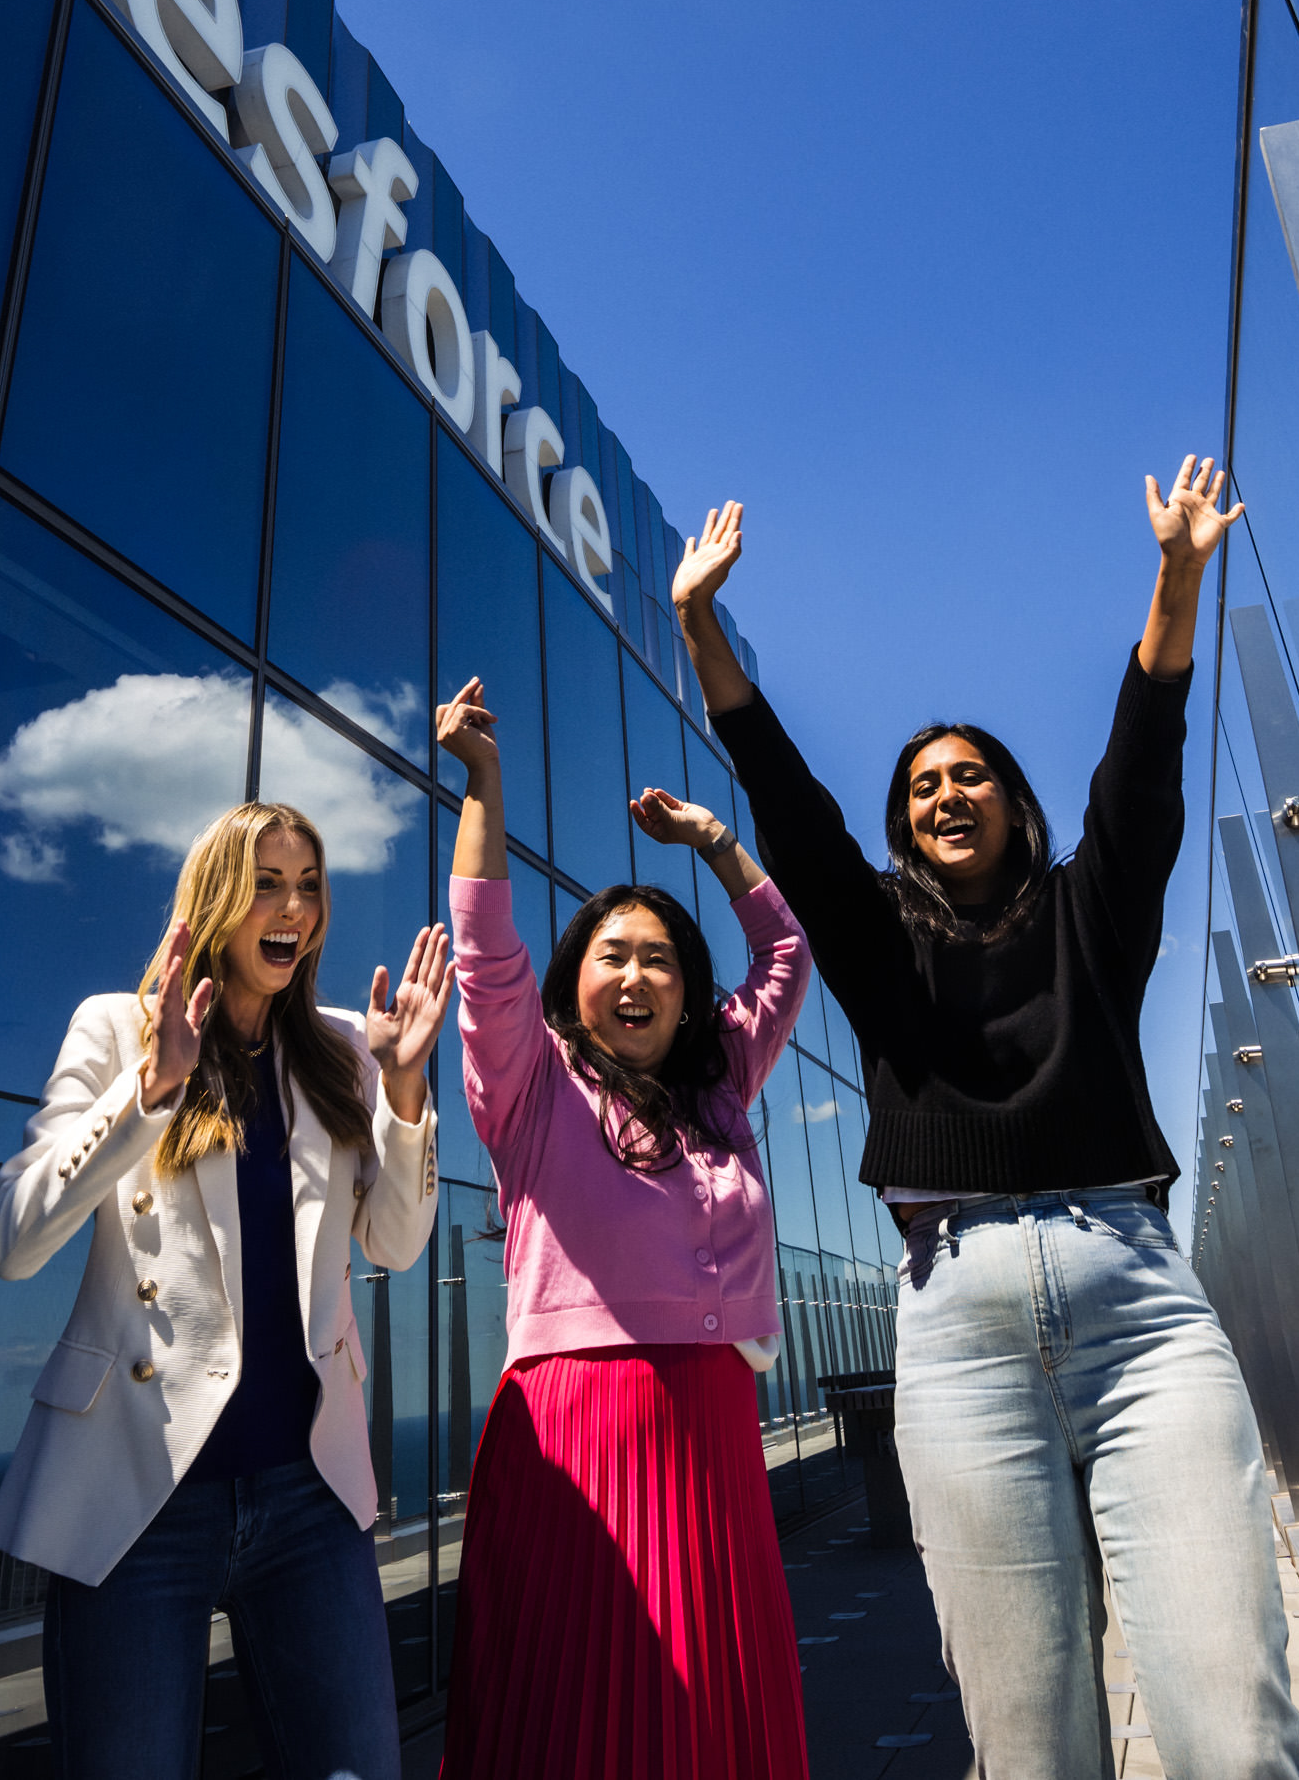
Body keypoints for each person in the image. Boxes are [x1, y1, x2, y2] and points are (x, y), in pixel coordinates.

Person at [669, 459, 1297, 1780]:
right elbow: (792, 805)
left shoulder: (1093, 912)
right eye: (919, 788)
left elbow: (1144, 766)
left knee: (1231, 1729)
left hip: (1140, 1310)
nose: (944, 794)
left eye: (970, 776)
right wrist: (700, 627)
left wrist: (1177, 578)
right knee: (1032, 1748)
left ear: (1015, 801)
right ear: (903, 828)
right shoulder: (877, 944)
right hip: (953, 1333)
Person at [0, 801, 452, 1780]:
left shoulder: (342, 1050)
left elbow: (397, 1243)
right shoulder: (117, 1027)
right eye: (267, 883)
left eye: (310, 885)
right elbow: (12, 1241)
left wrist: (405, 1096)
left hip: (309, 1497)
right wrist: (147, 1093)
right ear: (215, 900)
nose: (293, 908)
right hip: (138, 1498)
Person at [432, 674, 812, 1780]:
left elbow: (784, 958)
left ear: (688, 992)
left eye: (660, 959)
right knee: (578, 1718)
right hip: (575, 1431)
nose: (638, 975)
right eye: (614, 955)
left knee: (709, 1707)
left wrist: (715, 845)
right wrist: (486, 783)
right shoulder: (531, 1084)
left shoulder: (722, 1080)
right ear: (573, 985)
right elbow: (483, 948)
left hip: (713, 1427)